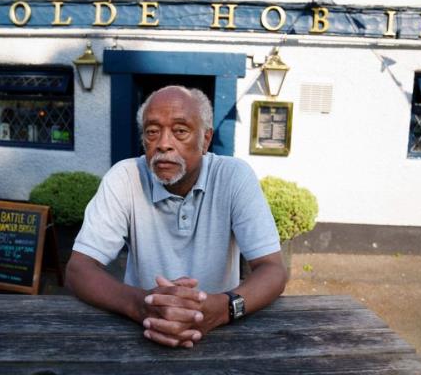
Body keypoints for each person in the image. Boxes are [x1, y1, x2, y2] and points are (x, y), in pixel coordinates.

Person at [66, 85, 287, 348]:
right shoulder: (124, 178)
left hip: (219, 334)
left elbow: (274, 269)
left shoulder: (233, 177)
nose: (163, 144)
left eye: (180, 131)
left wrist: (223, 308)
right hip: (140, 331)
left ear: (205, 140)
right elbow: (78, 269)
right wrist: (140, 305)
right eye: (152, 132)